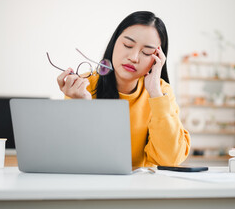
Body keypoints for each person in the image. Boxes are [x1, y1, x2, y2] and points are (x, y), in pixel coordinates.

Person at [56, 11, 190, 167]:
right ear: (114, 42)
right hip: (96, 185)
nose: (134, 57)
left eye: (146, 52)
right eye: (127, 45)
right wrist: (85, 108)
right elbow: (74, 156)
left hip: (142, 188)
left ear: (158, 59)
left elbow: (170, 159)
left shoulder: (160, 91)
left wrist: (155, 95)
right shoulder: (83, 86)